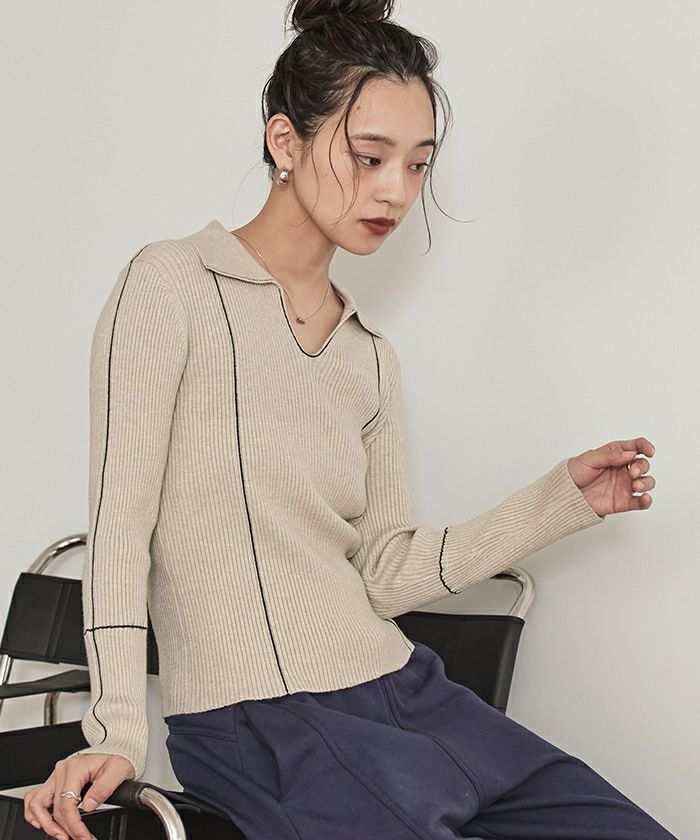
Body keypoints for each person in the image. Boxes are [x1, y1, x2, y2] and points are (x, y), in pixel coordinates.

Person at [24, 1, 674, 838]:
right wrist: (116, 727)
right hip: (264, 720)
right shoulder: (171, 286)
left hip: (410, 690)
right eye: (369, 157)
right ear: (285, 142)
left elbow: (386, 571)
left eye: (418, 165)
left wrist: (560, 500)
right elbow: (121, 526)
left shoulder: (369, 355)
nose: (395, 190)